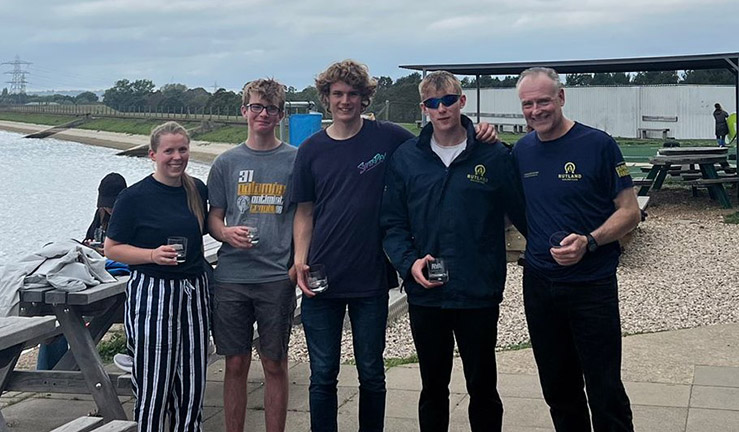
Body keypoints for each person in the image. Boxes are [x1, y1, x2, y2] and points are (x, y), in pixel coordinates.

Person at [290, 59, 498, 432]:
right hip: (321, 277)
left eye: (353, 94)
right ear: (326, 98)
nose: (345, 101)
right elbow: (304, 212)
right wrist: (300, 261)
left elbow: (436, 142)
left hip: (371, 277)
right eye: (337, 94)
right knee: (323, 374)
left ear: (365, 98)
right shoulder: (310, 150)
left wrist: (482, 133)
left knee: (372, 372)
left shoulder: (390, 138)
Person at [380, 71, 527, 432]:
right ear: (424, 108)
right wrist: (408, 263)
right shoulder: (406, 158)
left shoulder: (493, 154)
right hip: (427, 293)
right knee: (433, 387)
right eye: (433, 103)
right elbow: (392, 223)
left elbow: (523, 213)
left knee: (483, 386)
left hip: (477, 289)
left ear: (462, 102)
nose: (441, 109)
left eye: (448, 100)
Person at [512, 67, 641, 432]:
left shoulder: (597, 144)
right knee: (558, 388)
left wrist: (590, 240)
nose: (536, 110)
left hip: (591, 284)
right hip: (539, 284)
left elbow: (630, 212)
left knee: (604, 388)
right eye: (528, 104)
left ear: (561, 98)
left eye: (543, 101)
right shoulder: (521, 151)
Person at [105, 121, 209, 432]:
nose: (177, 157)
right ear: (153, 155)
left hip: (194, 292)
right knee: (154, 385)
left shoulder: (197, 189)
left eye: (182, 149)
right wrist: (152, 255)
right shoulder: (134, 197)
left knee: (192, 383)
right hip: (152, 293)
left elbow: (207, 228)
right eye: (169, 151)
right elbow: (112, 249)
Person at [206, 78, 297, 432]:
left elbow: (306, 215)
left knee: (274, 363)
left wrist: (294, 267)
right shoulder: (225, 163)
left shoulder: (295, 160)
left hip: (276, 277)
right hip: (231, 277)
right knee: (235, 364)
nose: (262, 114)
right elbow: (214, 216)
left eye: (270, 108)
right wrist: (226, 232)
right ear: (244, 111)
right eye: (256, 107)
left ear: (280, 115)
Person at [38, 172, 128, 371]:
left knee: (67, 316)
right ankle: (49, 370)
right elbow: (88, 240)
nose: (110, 210)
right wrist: (90, 247)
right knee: (58, 315)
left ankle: (56, 371)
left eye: (112, 205)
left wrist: (114, 251)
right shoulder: (100, 216)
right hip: (93, 280)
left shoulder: (132, 214)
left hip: (116, 288)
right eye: (106, 206)